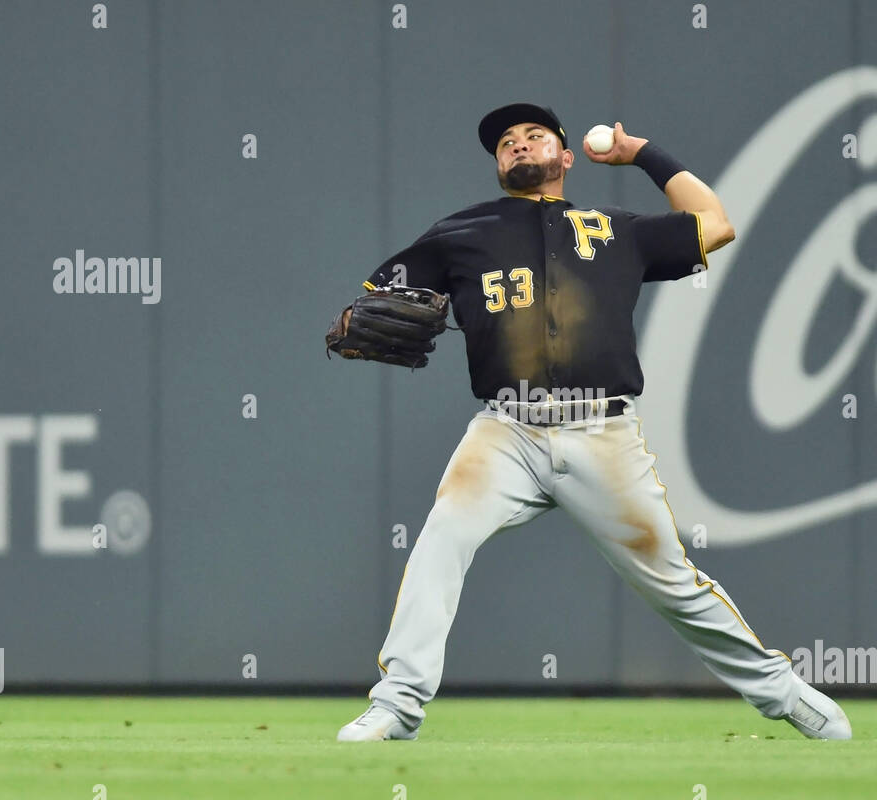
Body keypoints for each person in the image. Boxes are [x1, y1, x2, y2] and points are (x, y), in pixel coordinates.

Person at [337, 102, 851, 742]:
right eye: (506, 143)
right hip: (506, 430)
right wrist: (370, 314)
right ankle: (398, 704)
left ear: (566, 155)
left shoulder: (617, 231)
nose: (520, 145)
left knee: (673, 583)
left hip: (602, 431)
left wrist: (641, 154)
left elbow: (715, 223)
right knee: (442, 542)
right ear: (499, 165)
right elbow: (381, 298)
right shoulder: (457, 233)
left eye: (534, 136)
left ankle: (786, 696)